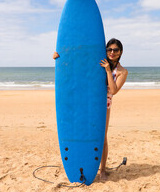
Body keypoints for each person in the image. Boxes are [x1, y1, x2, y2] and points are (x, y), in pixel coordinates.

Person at [53, 38, 128, 181]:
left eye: (115, 50)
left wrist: (107, 70)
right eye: (109, 49)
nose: (112, 52)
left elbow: (113, 90)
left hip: (104, 104)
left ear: (120, 52)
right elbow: (78, 65)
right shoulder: (97, 61)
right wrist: (60, 58)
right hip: (87, 101)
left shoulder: (122, 72)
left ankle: (103, 170)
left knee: (102, 136)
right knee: (84, 132)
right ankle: (85, 163)